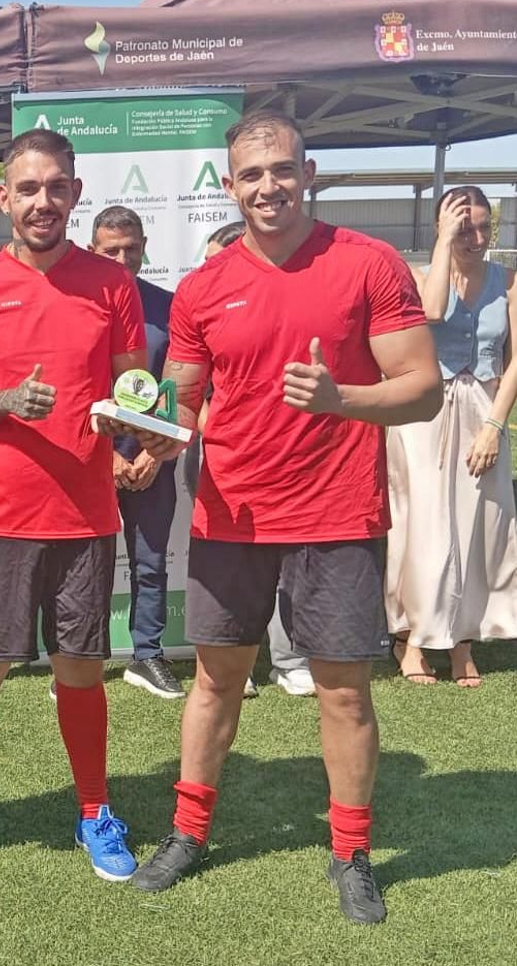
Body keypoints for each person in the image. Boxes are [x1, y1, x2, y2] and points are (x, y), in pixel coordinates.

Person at [127, 111, 441, 926]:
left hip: (337, 515)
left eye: (280, 170)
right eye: (250, 175)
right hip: (231, 517)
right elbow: (184, 403)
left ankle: (352, 853)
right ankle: (188, 833)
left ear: (308, 172)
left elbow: (423, 387)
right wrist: (151, 448)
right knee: (215, 681)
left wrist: (345, 399)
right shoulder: (202, 288)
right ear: (230, 186)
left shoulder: (367, 263)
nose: (267, 187)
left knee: (342, 695)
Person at [0, 129, 147, 891]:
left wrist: (134, 433)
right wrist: (9, 402)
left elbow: (134, 386)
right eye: (28, 189)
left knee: (80, 669)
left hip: (84, 514)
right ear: (5, 199)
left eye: (57, 188)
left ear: (74, 194)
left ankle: (94, 809)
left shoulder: (112, 284)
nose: (44, 202)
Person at [389, 186, 517, 687]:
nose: (479, 238)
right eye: (467, 229)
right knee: (424, 524)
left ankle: (463, 640)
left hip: (483, 410)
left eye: (486, 227)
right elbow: (432, 312)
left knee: (479, 525)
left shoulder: (508, 282)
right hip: (424, 413)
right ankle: (415, 636)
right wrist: (444, 245)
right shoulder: (419, 276)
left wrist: (494, 425)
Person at [193, 220, 311, 699]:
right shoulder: (201, 301)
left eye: (219, 258)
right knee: (225, 575)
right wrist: (212, 431)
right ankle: (236, 665)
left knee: (288, 568)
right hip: (219, 457)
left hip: (290, 464)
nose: (213, 268)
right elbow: (189, 392)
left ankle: (288, 659)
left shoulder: (287, 306)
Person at [87, 206, 184, 700]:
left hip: (151, 459)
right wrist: (104, 455)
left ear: (145, 247)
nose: (123, 259)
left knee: (150, 561)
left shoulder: (169, 307)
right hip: (90, 458)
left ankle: (148, 656)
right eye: (111, 250)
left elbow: (182, 390)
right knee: (88, 563)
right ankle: (83, 660)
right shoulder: (77, 307)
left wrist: (156, 453)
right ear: (92, 250)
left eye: (131, 248)